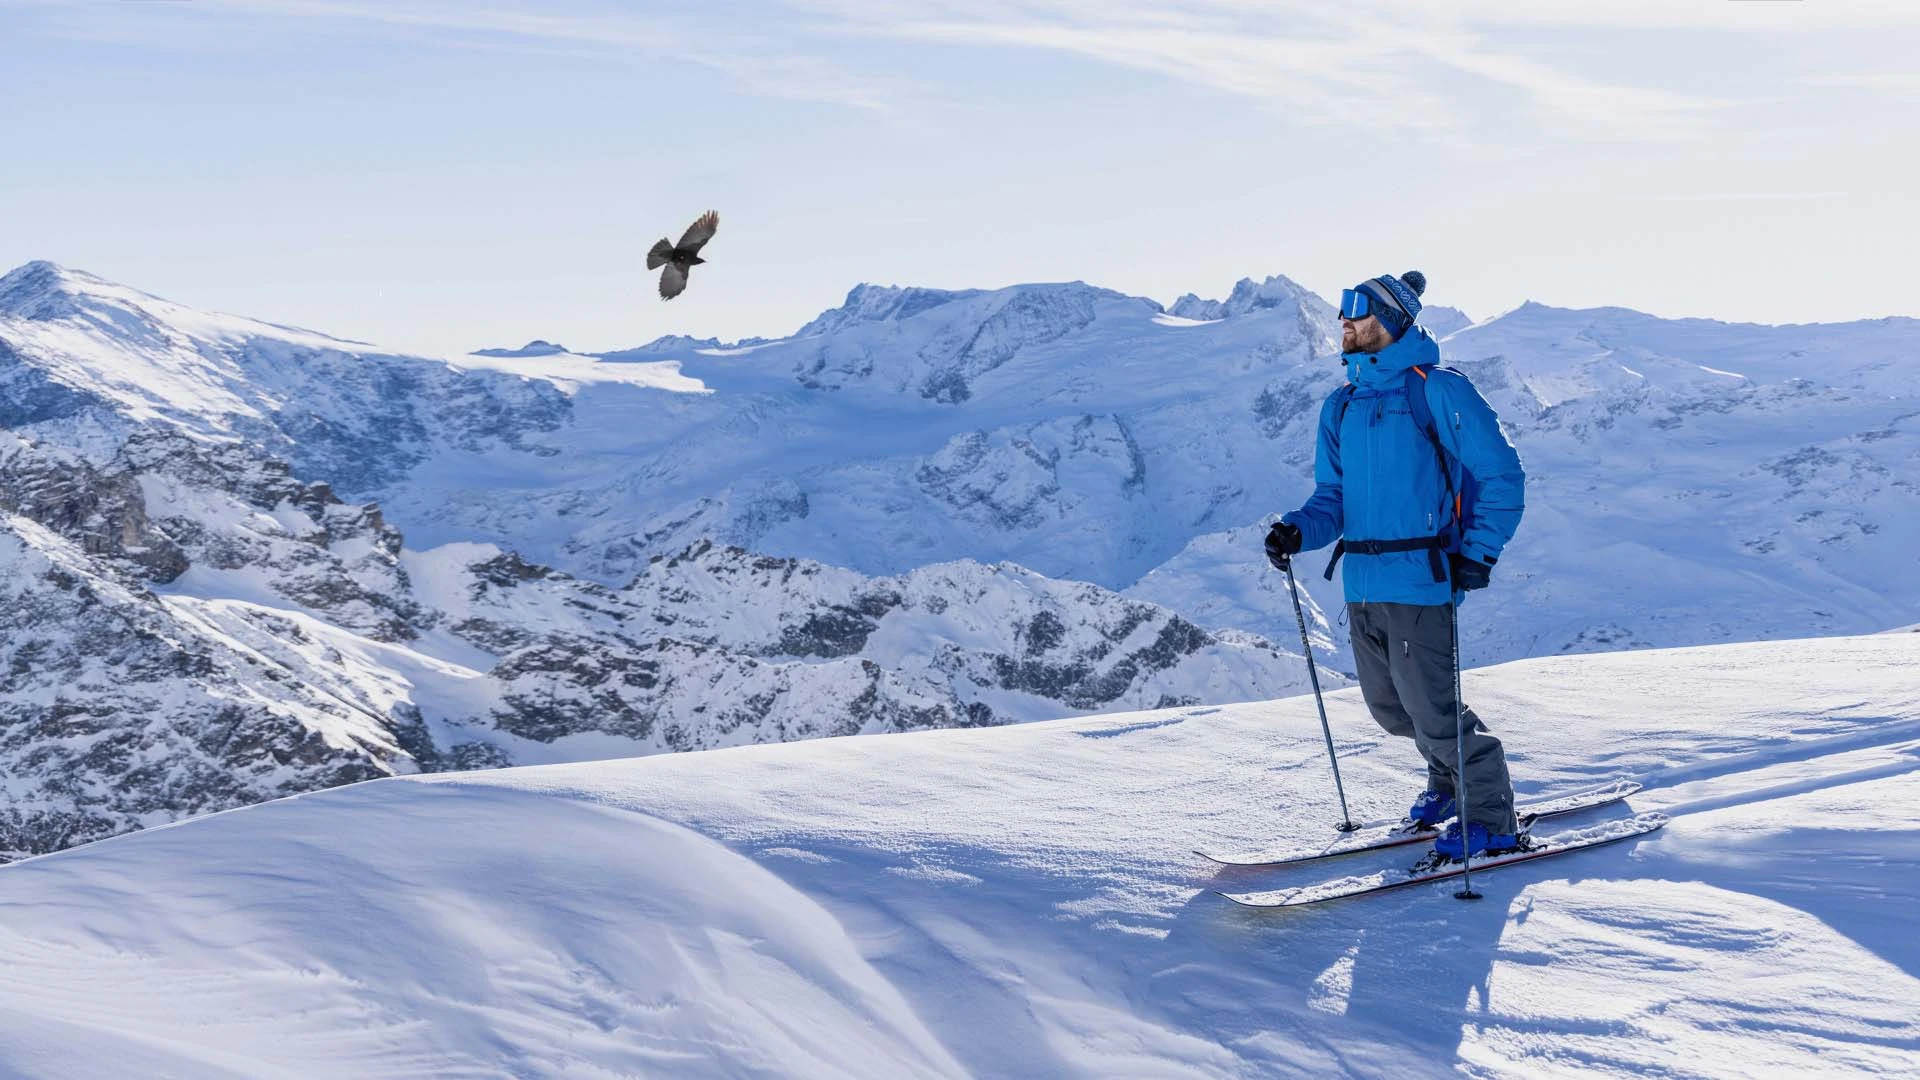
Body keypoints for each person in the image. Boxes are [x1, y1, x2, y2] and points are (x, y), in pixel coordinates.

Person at [1263, 270, 1527, 860]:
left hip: (1421, 578)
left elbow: (1502, 476)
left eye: (1357, 313)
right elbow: (1334, 499)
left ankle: (1491, 815)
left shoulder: (1437, 391)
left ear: (1393, 319)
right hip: (1362, 581)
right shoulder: (1343, 404)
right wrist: (1298, 530)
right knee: (1391, 709)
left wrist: (1477, 554)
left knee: (1433, 710)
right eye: (1343, 313)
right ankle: (1446, 783)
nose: (1344, 323)